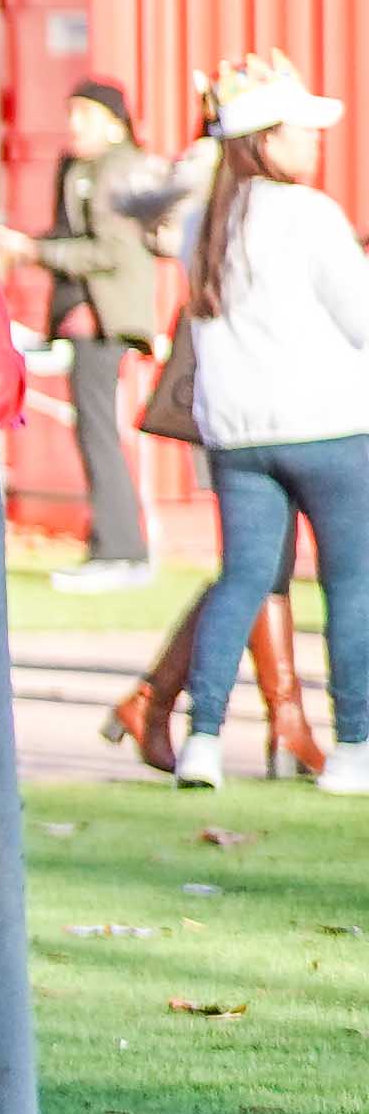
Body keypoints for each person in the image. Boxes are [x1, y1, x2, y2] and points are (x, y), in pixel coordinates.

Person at [156, 51, 369, 792]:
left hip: (238, 432)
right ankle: (354, 746)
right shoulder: (310, 215)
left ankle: (203, 740)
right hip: (328, 424)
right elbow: (360, 318)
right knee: (350, 585)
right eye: (300, 130)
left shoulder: (204, 222)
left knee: (242, 579)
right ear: (267, 139)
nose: (314, 141)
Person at [3, 77, 186, 591]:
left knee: (99, 431)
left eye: (83, 115)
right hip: (86, 316)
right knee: (94, 430)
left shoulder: (117, 170)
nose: (72, 125)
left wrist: (32, 251)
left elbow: (111, 250)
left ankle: (121, 550)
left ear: (114, 123)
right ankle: (112, 545)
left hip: (104, 318)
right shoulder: (83, 167)